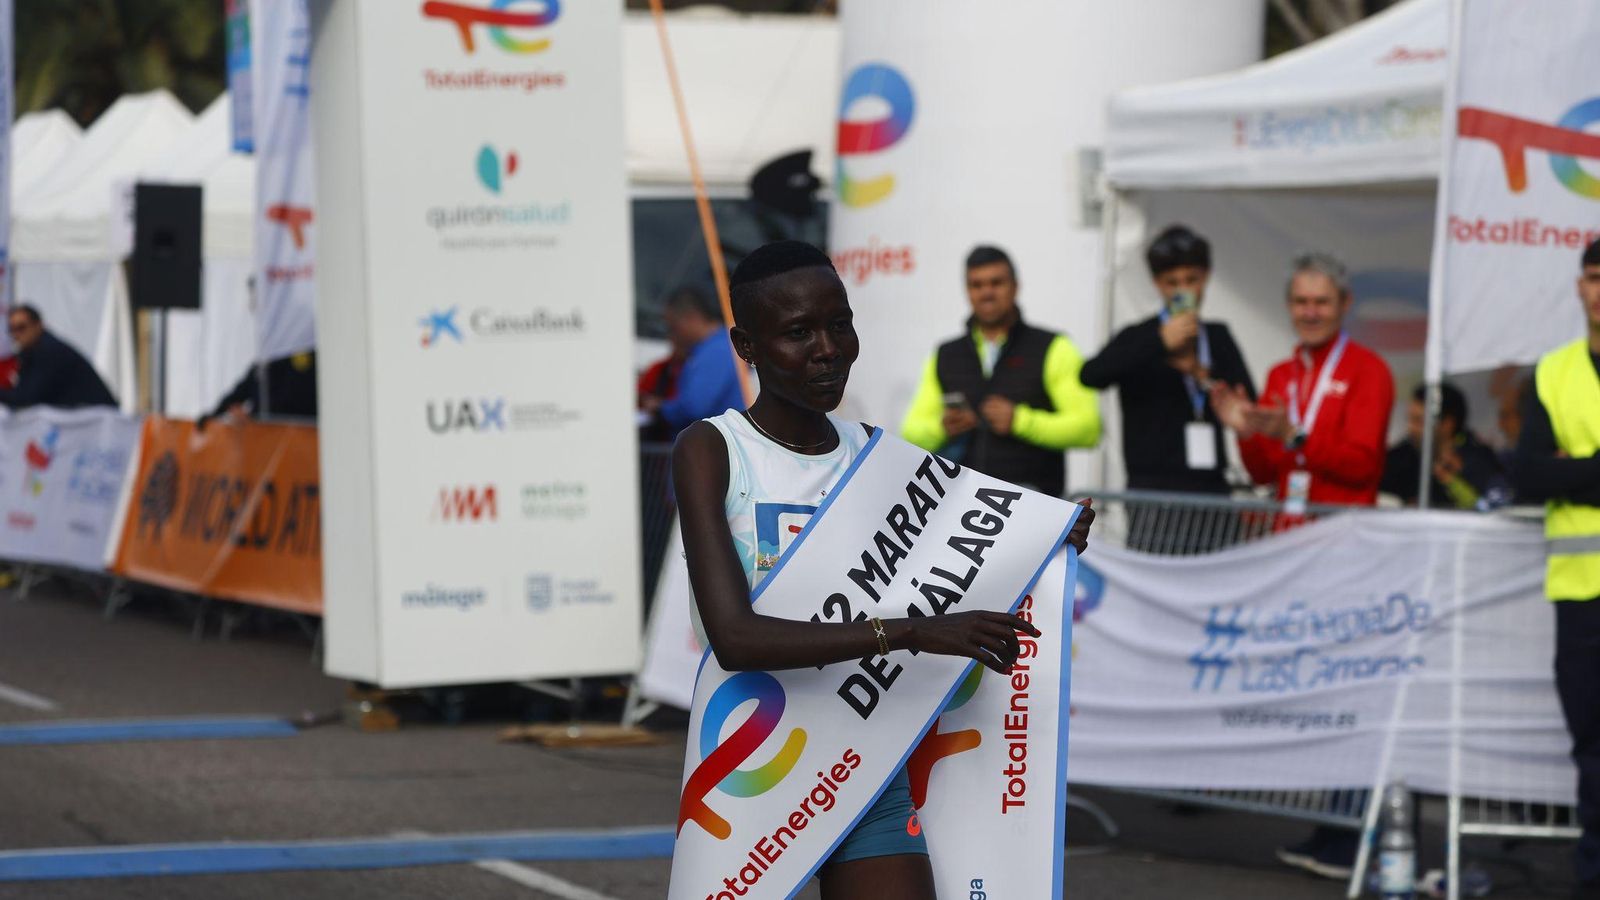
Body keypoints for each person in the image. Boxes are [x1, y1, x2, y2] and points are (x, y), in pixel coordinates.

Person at [672, 240, 1093, 899]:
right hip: (750, 766)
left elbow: (978, 555)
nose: (828, 349)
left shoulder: (875, 456)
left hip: (862, 759)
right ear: (745, 345)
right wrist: (912, 633)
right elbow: (736, 637)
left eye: (840, 324)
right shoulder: (712, 449)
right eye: (797, 332)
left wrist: (1052, 538)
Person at [1512, 238, 1600, 899]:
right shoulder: (1551, 373)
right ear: (1579, 287)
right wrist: (1568, 472)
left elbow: (1555, 471)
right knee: (1592, 746)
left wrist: (1577, 470)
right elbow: (1528, 473)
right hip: (1581, 593)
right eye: (1594, 278)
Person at [900, 245, 1100, 497]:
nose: (987, 293)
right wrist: (943, 428)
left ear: (1015, 286)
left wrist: (1021, 421)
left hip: (1034, 507)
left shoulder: (1054, 347)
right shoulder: (945, 353)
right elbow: (911, 431)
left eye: (996, 283)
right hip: (963, 509)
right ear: (968, 291)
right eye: (977, 285)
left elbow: (1088, 429)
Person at [1081, 225, 1255, 496]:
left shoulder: (1217, 336)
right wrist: (1159, 341)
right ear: (1157, 284)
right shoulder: (1139, 335)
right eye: (1172, 283)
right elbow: (1091, 375)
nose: (1182, 291)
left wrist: (1199, 372)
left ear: (1205, 278)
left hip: (1211, 486)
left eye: (1191, 280)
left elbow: (1248, 400)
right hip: (1151, 488)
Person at [1219, 253, 1394, 511]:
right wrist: (1245, 434)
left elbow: (1362, 467)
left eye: (1322, 302)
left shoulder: (1368, 369)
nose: (1310, 313)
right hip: (1289, 530)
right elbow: (1262, 475)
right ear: (1289, 305)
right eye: (1301, 302)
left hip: (1341, 534)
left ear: (1345, 303)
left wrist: (1295, 436)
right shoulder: (1280, 374)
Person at [1380, 382, 1509, 509]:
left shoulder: (1479, 460)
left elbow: (1490, 508)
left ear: (1447, 423)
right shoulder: (1401, 456)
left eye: (1419, 421)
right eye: (1409, 419)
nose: (1411, 428)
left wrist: (1453, 481)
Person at [642, 285, 747, 437]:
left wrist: (660, 408)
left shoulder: (716, 351)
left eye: (673, 327)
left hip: (710, 450)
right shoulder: (719, 346)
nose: (672, 335)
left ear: (692, 318)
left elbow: (694, 407)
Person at [0, 304, 117, 410]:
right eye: (12, 330)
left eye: (21, 328)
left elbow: (26, 398)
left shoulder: (49, 351)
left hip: (100, 423)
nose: (16, 335)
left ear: (38, 325)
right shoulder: (32, 352)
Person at [199, 351, 319, 429]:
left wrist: (253, 419)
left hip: (302, 437)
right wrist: (214, 414)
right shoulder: (263, 365)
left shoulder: (306, 355)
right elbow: (240, 392)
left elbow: (295, 399)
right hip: (264, 442)